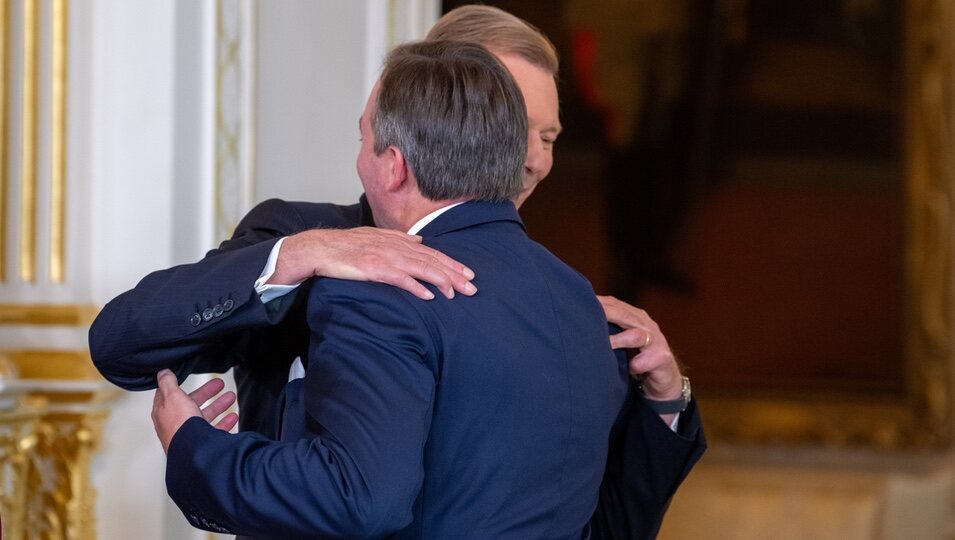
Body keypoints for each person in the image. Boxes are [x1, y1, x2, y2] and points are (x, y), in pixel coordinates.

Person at [89, 5, 705, 538]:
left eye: (547, 135)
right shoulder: (297, 236)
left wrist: (665, 401)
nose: (531, 160)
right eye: (507, 119)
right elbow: (123, 343)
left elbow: (609, 528)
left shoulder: (561, 299)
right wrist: (305, 254)